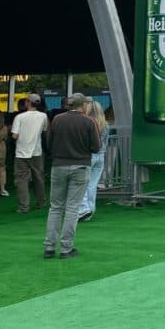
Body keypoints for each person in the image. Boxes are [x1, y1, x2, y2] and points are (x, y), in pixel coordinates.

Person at [43, 93, 100, 259]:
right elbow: (96, 146)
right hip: (80, 166)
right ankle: (66, 248)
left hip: (58, 166)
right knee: (72, 208)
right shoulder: (89, 121)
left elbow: (49, 142)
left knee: (55, 207)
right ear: (83, 105)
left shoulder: (57, 119)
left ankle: (49, 247)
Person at [11, 93, 49, 213]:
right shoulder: (43, 116)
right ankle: (41, 202)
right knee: (38, 178)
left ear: (28, 102)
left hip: (21, 152)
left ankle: (24, 206)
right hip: (37, 152)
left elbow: (14, 135)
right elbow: (44, 130)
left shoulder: (19, 117)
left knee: (21, 179)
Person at [78, 100, 110, 221]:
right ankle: (90, 210)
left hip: (89, 155)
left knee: (82, 183)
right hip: (100, 156)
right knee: (92, 185)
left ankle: (84, 209)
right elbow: (105, 142)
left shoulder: (87, 123)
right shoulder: (105, 125)